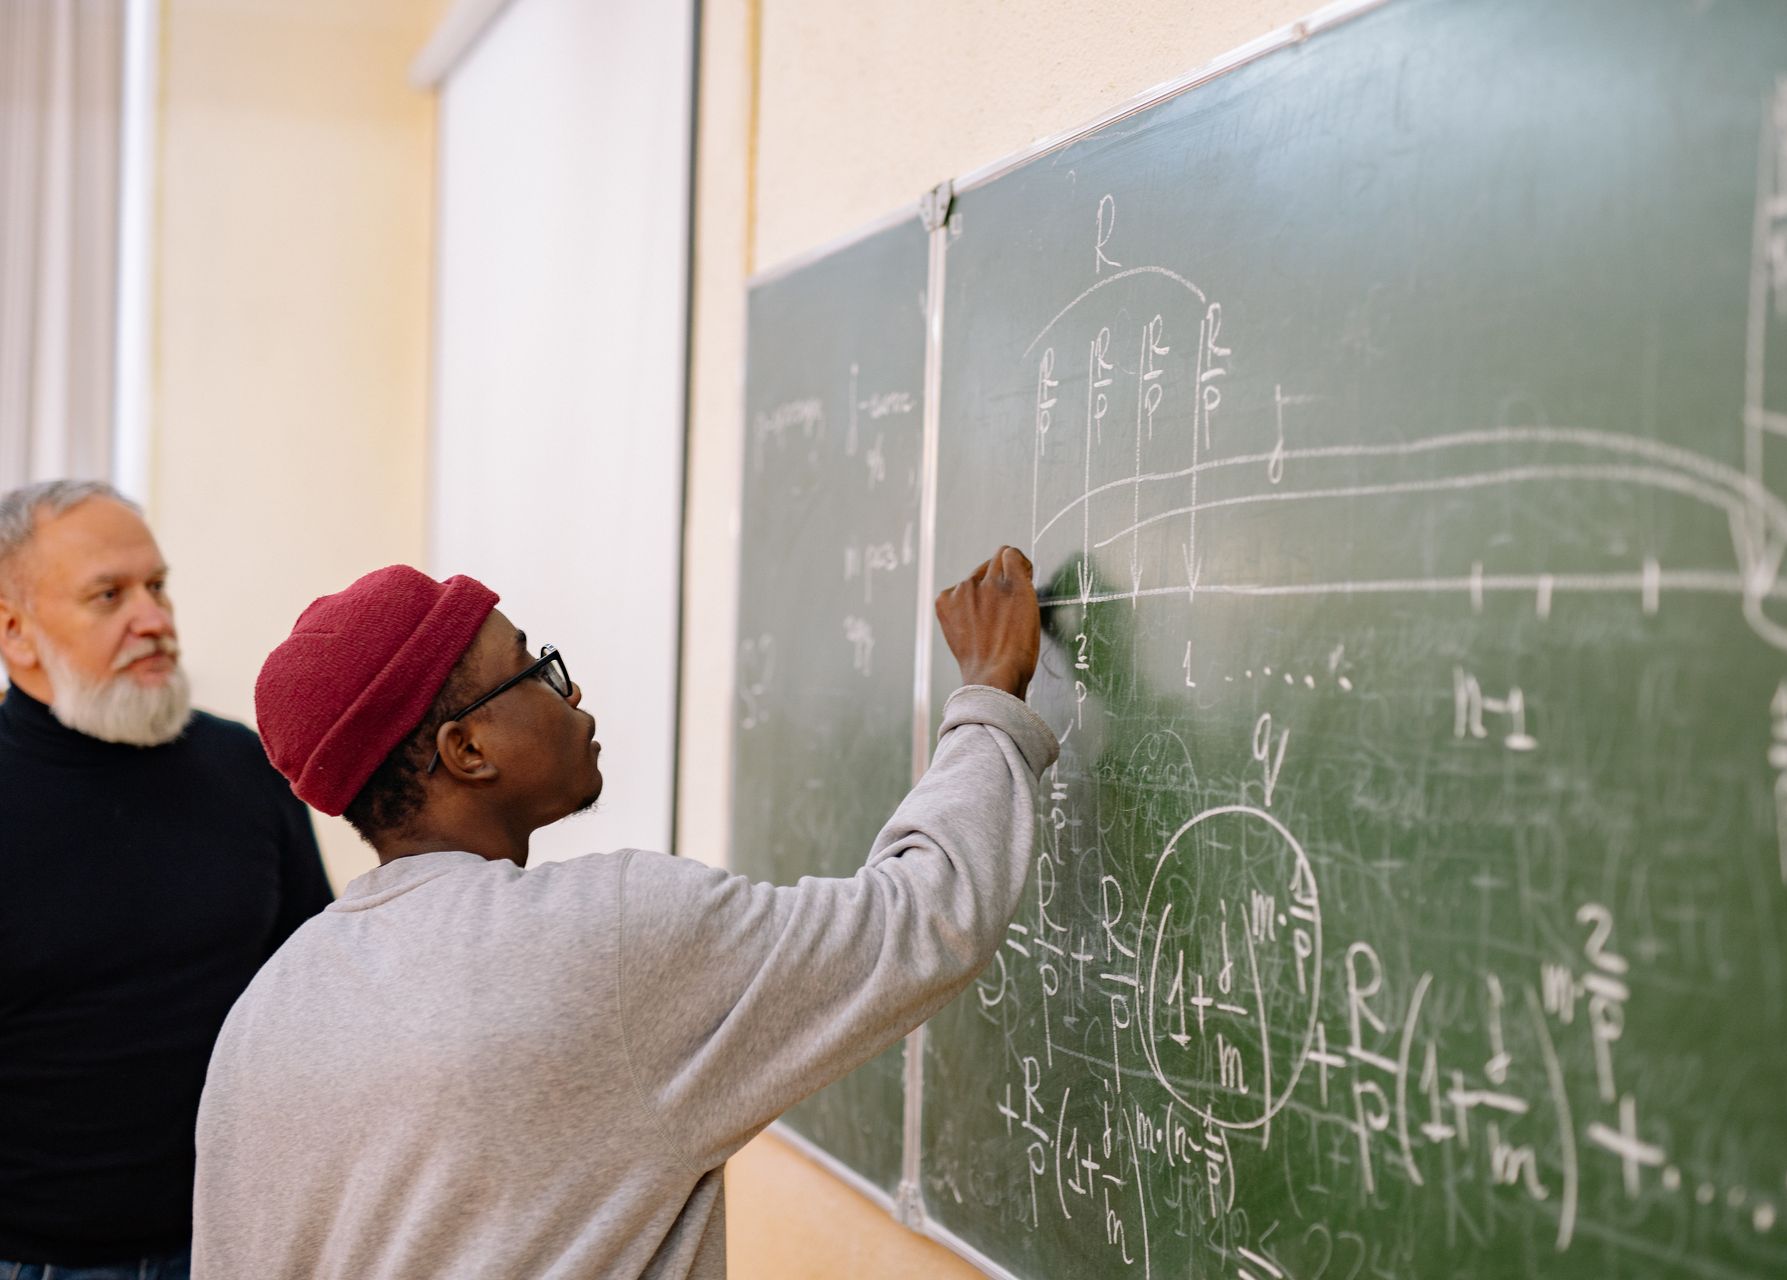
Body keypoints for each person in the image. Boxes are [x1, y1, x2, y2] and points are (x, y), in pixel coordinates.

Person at [190, 547, 1054, 1279]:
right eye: (537, 671)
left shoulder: (265, 1013)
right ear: (467, 749)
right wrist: (989, 696)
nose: (571, 694)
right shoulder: (602, 940)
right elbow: (922, 921)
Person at [0, 480, 334, 1279]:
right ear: (16, 632)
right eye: (107, 595)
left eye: (156, 586)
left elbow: (319, 993)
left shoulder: (245, 768)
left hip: (240, 1245)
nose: (151, 618)